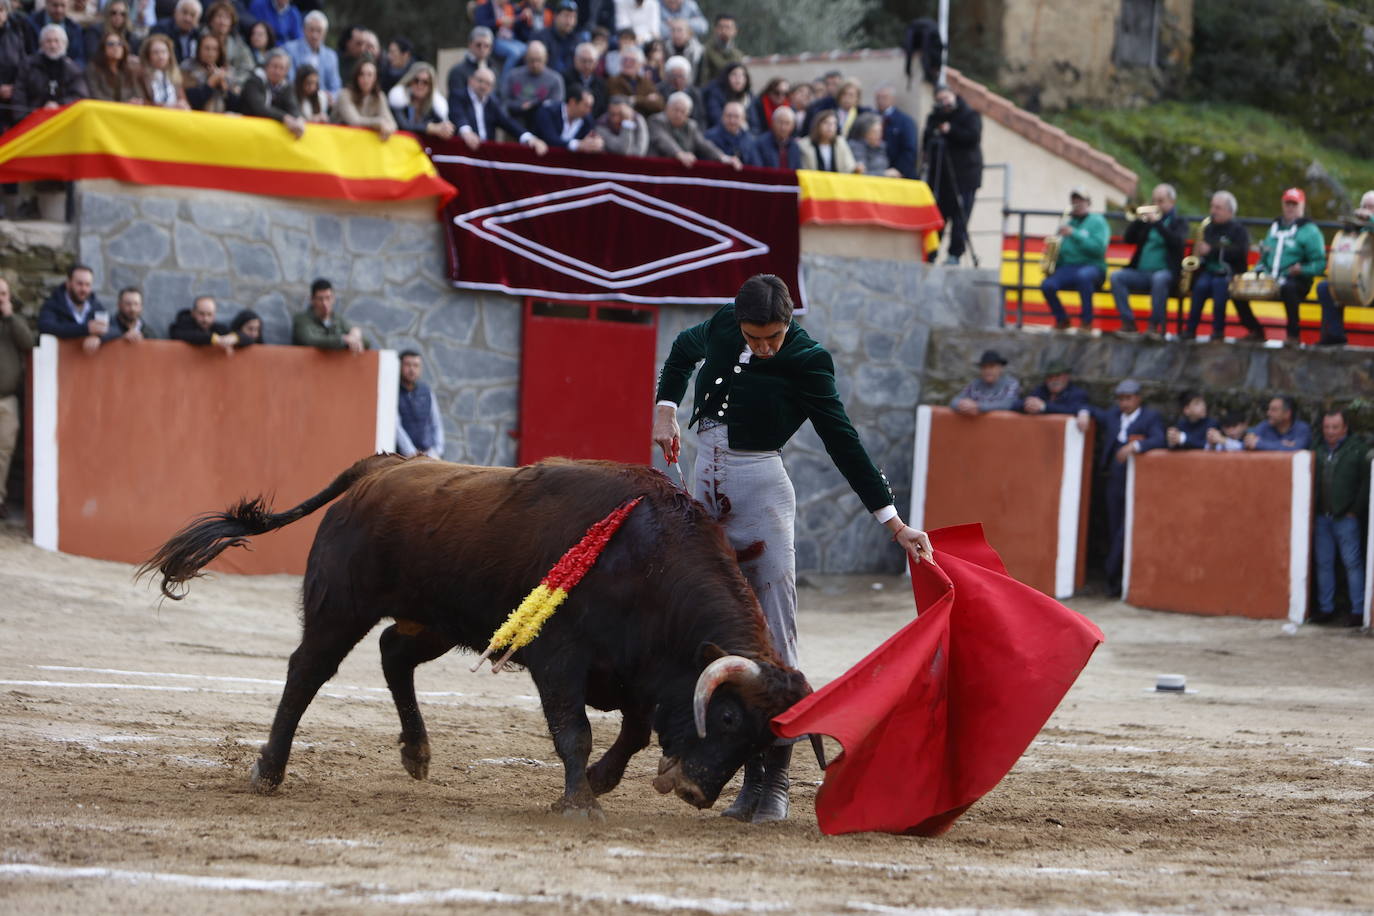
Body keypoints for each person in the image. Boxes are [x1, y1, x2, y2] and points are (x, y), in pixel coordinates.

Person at [651, 273, 932, 824]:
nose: (762, 347)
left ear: (788, 324)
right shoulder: (723, 327)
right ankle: (698, 746)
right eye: (754, 337)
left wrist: (893, 522)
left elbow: (842, 439)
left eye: (772, 338)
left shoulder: (807, 359)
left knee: (775, 637)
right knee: (698, 620)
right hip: (702, 478)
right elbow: (684, 350)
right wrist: (667, 404)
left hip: (760, 492)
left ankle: (773, 779)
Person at [1092, 379, 1165, 597]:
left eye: (1128, 398)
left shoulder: (1149, 417)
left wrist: (1136, 445)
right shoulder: (1113, 416)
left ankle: (1112, 575)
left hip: (1135, 484)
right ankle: (1113, 581)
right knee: (1114, 529)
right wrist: (1085, 414)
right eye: (1121, 399)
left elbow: (1160, 439)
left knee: (1124, 532)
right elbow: (1089, 409)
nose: (1124, 403)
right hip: (1112, 482)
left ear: (1138, 399)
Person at [1310, 409, 1369, 627]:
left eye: (1335, 427)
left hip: (1346, 516)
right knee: (1324, 563)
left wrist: (1355, 510)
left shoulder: (1358, 450)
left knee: (1351, 563)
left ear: (1344, 428)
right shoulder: (1316, 447)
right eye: (1327, 427)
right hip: (1322, 516)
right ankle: (1326, 608)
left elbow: (1365, 484)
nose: (1330, 432)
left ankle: (1357, 609)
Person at [1110, 183, 1188, 336]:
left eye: (1160, 201)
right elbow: (1128, 239)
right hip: (1141, 273)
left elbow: (1177, 243)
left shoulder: (1179, 222)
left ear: (1171, 202)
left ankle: (1153, 326)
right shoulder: (1146, 223)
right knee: (1116, 277)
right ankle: (1128, 322)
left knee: (1159, 279)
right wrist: (1139, 220)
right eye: (1154, 201)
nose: (1156, 205)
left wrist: (1157, 223)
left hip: (1166, 273)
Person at [1182, 190, 1258, 342]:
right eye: (1212, 207)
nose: (1213, 211)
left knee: (1219, 286)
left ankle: (1218, 330)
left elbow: (1239, 253)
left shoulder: (1238, 230)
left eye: (1218, 208)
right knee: (1200, 287)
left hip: (1228, 273)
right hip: (1208, 271)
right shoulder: (1208, 227)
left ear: (1230, 211)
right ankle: (1190, 329)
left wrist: (1212, 250)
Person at [1255, 188, 1327, 346]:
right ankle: (1254, 330)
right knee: (1235, 287)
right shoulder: (1274, 229)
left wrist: (1303, 269)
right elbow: (1264, 256)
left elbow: (1320, 264)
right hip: (1270, 280)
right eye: (1288, 204)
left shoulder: (1310, 231)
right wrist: (1257, 271)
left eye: (1294, 204)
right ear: (1282, 205)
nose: (1290, 208)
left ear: (1302, 206)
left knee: (1289, 288)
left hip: (1296, 281)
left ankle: (1293, 335)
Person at [922, 84, 982, 266]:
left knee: (960, 219)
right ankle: (931, 252)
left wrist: (951, 130)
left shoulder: (970, 115)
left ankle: (954, 255)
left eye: (946, 98)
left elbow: (972, 137)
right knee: (937, 216)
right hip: (941, 178)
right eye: (940, 100)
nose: (944, 103)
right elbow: (927, 141)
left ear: (954, 95)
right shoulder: (935, 118)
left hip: (964, 177)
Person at [1041, 187, 1109, 331]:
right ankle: (1062, 319)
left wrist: (1074, 234)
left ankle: (1086, 322)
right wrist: (1051, 258)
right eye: (1074, 200)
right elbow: (1061, 250)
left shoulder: (1098, 221)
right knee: (1047, 285)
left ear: (1088, 202)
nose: (1077, 203)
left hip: (1093, 266)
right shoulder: (1068, 223)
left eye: (1080, 200)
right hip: (1069, 268)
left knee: (1083, 277)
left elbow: (1098, 249)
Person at [1315, 189, 1374, 347]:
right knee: (1325, 288)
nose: (1367, 211)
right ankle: (1335, 334)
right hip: (1357, 282)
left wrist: (1371, 220)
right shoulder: (1357, 231)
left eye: (1372, 207)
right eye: (1365, 207)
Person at [452, 65, 548, 154]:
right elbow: (458, 116)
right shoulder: (458, 96)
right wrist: (467, 133)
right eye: (480, 81)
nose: (483, 86)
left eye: (488, 84)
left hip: (484, 153)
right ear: (471, 80)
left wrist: (530, 138)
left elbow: (508, 122)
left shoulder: (492, 103)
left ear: (492, 88)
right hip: (463, 151)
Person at [0, 277, 34, 519]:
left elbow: (29, 343)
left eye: (2, 294)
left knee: (4, 451)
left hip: (7, 398)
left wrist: (9, 317)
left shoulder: (13, 322)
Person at [647, 90, 737, 168]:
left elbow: (703, 144)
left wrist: (723, 157)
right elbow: (663, 140)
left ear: (688, 114)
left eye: (682, 111)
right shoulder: (656, 120)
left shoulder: (691, 126)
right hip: (658, 168)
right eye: (675, 109)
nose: (678, 114)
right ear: (667, 108)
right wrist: (679, 154)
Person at [14, 23, 88, 115]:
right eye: (48, 41)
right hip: (32, 118)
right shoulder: (28, 65)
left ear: (64, 44)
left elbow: (79, 95)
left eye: (56, 41)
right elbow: (19, 95)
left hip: (63, 117)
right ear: (41, 44)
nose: (53, 45)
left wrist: (59, 105)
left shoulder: (73, 69)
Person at [37, 265, 107, 356]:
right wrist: (86, 329)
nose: (84, 289)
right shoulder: (53, 304)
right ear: (68, 283)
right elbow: (46, 327)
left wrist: (98, 337)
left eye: (87, 284)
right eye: (79, 284)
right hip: (60, 361)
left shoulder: (96, 306)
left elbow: (113, 327)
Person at [500, 39, 564, 131]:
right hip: (514, 123)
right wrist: (520, 106)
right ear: (525, 58)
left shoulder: (555, 79)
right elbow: (503, 101)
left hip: (542, 126)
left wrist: (535, 105)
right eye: (531, 60)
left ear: (546, 58)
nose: (535, 64)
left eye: (539, 60)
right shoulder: (513, 75)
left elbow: (556, 107)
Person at [241, 48, 306, 138]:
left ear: (286, 71)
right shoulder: (253, 81)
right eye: (274, 66)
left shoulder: (286, 86)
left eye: (281, 68)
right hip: (246, 130)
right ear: (266, 66)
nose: (277, 72)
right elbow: (260, 108)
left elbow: (292, 106)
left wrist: (298, 119)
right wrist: (284, 117)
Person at [292, 278, 366, 352]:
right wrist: (344, 339)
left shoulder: (338, 320)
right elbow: (310, 340)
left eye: (328, 298)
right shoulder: (302, 320)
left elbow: (366, 343)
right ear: (312, 300)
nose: (325, 303)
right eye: (320, 299)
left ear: (333, 299)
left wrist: (356, 335)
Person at [396, 350, 444, 459]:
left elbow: (436, 423)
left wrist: (437, 451)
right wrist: (412, 453)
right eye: (408, 365)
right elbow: (396, 427)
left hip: (429, 456)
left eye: (416, 365)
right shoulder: (394, 392)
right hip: (403, 458)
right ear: (400, 366)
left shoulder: (426, 391)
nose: (412, 369)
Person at [333, 57, 395, 139]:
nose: (365, 79)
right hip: (338, 142)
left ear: (375, 78)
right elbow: (355, 122)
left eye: (370, 75)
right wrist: (379, 122)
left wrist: (388, 128)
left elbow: (392, 124)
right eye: (361, 74)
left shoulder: (379, 96)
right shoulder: (344, 95)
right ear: (356, 77)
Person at [282, 9, 340, 97]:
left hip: (323, 99)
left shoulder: (331, 55)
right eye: (311, 30)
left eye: (319, 31)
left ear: (325, 33)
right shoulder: (290, 48)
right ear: (304, 30)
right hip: (298, 96)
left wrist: (332, 96)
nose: (315, 35)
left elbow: (336, 86)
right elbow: (290, 79)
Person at [390, 62, 452, 137]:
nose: (420, 85)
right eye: (416, 80)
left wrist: (446, 129)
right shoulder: (399, 101)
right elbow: (404, 126)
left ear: (430, 87)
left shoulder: (436, 107)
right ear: (410, 81)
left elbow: (443, 127)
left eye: (425, 82)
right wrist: (430, 128)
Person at [1020, 359, 1090, 425]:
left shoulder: (1077, 393)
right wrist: (1028, 405)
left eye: (1057, 376)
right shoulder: (1041, 390)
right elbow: (1017, 404)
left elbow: (1073, 409)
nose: (1053, 380)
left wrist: (1043, 407)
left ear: (1066, 377)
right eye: (1050, 377)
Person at [950, 349, 1019, 415]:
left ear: (1000, 368)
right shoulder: (975, 384)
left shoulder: (1011, 384)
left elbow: (1007, 404)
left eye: (991, 366)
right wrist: (963, 406)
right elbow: (954, 401)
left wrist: (977, 406)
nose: (987, 370)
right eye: (984, 367)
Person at [532, 86, 603, 150]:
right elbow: (550, 139)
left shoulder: (587, 120)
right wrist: (578, 145)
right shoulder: (548, 111)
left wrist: (595, 143)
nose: (589, 110)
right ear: (572, 102)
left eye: (591, 106)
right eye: (586, 105)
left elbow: (589, 138)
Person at [181, 31, 235, 111]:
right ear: (199, 49)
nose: (210, 53)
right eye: (207, 48)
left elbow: (235, 105)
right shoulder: (188, 67)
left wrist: (223, 84)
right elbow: (191, 101)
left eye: (215, 49)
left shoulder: (227, 70)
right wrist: (211, 82)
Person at [203, 0, 252, 88]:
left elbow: (248, 69)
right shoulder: (201, 39)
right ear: (211, 20)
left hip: (231, 86)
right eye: (219, 16)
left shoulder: (238, 44)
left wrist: (230, 77)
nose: (222, 22)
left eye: (227, 18)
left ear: (231, 23)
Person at [169, 295, 244, 353]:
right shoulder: (182, 325)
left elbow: (248, 338)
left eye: (209, 314)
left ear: (214, 315)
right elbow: (184, 334)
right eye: (201, 314)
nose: (205, 319)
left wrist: (235, 338)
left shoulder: (218, 328)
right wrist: (215, 339)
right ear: (193, 313)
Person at [873, 85, 917, 180]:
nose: (880, 101)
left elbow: (909, 149)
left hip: (898, 175)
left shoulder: (905, 121)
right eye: (878, 97)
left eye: (884, 97)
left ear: (892, 99)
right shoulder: (871, 118)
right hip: (877, 173)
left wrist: (899, 170)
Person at [604, 43, 661, 116]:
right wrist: (646, 100)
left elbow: (659, 104)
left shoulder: (646, 82)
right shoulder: (612, 81)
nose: (628, 63)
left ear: (640, 64)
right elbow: (619, 101)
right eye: (625, 60)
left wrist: (635, 100)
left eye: (632, 61)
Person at [86, 30, 143, 102]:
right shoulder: (93, 69)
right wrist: (124, 104)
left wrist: (136, 101)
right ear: (103, 48)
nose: (116, 47)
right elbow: (96, 96)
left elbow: (138, 94)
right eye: (110, 44)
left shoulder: (130, 69)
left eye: (119, 44)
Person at [532, 0, 585, 75]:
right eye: (566, 16)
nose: (569, 21)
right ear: (556, 16)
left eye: (573, 17)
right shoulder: (541, 37)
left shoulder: (578, 40)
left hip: (570, 83)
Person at [797, 108, 855, 173]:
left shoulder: (840, 143)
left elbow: (849, 166)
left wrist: (855, 169)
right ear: (818, 125)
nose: (830, 127)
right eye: (826, 123)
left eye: (834, 124)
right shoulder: (804, 144)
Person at [1243, 395, 1311, 451]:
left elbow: (1296, 449)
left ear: (1287, 414)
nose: (1268, 413)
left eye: (1274, 410)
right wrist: (1282, 445)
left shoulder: (1302, 429)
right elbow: (1247, 444)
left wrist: (1259, 444)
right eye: (1269, 409)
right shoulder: (1264, 426)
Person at [138, 32, 187, 107]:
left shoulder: (175, 76)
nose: (160, 56)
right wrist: (168, 107)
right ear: (148, 55)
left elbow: (183, 101)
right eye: (155, 52)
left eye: (164, 52)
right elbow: (141, 102)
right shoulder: (141, 75)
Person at [446, 26, 494, 101]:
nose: (482, 49)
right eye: (478, 45)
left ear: (491, 49)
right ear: (470, 45)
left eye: (486, 46)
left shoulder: (494, 70)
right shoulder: (458, 72)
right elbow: (456, 101)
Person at [704, 99, 757, 165]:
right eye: (729, 116)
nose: (732, 120)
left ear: (743, 119)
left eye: (736, 117)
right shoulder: (709, 137)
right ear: (722, 117)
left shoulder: (750, 141)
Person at [701, 60, 752, 129]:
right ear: (726, 77)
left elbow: (755, 124)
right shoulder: (715, 93)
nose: (738, 79)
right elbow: (717, 119)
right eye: (734, 75)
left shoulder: (749, 96)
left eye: (742, 75)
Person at [31, 0, 85, 65]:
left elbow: (80, 58)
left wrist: (72, 66)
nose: (59, 10)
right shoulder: (30, 24)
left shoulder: (75, 28)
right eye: (55, 5)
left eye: (63, 5)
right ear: (47, 4)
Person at [695, 11, 739, 88]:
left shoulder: (738, 54)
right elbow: (703, 79)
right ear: (715, 29)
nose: (724, 31)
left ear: (735, 31)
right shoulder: (705, 51)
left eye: (728, 27)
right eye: (721, 27)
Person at [564, 40, 608, 117]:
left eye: (590, 61)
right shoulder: (565, 78)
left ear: (596, 62)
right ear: (575, 59)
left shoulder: (600, 83)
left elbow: (601, 108)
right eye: (583, 61)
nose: (587, 65)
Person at [654, 52, 699, 124]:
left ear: (687, 77)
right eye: (674, 76)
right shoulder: (660, 90)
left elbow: (699, 117)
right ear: (668, 77)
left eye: (681, 76)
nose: (677, 80)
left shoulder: (694, 93)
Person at [149, 0, 198, 64]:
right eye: (184, 12)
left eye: (192, 15)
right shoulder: (161, 29)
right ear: (175, 12)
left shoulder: (197, 34)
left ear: (197, 20)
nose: (187, 18)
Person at [754, 104, 800, 169]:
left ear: (793, 126)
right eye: (780, 122)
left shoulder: (794, 146)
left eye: (787, 123)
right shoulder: (761, 144)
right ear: (773, 123)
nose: (783, 127)